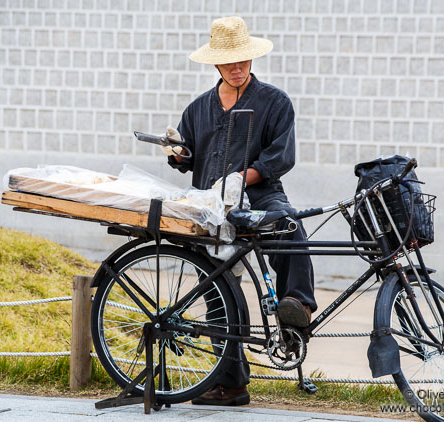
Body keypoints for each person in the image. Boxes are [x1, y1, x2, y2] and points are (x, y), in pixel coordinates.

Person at [162, 16, 317, 406]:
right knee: (218, 288)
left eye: (242, 60)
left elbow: (281, 156)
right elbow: (188, 156)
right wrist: (178, 154)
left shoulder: (274, 102)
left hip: (261, 194)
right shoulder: (198, 109)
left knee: (289, 226)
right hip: (210, 204)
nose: (237, 68)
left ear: (251, 59)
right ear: (215, 64)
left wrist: (243, 178)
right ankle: (231, 385)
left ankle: (297, 306)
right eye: (229, 62)